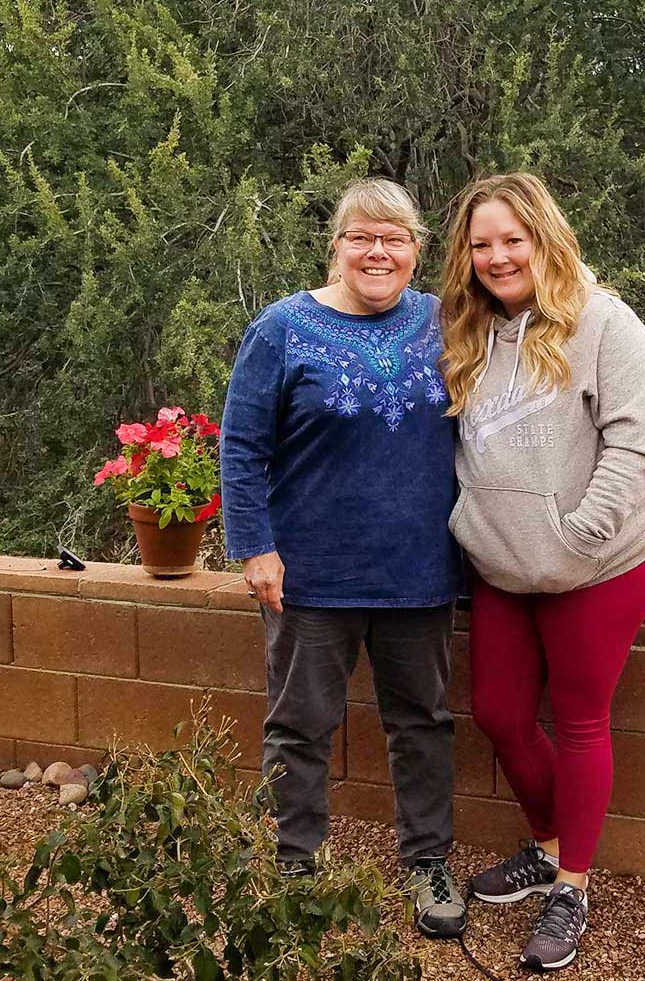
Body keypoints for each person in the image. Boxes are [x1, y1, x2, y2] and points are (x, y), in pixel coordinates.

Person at [220, 177, 467, 938]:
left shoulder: (445, 322)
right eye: (362, 236)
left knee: (422, 724)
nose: (377, 252)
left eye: (394, 239)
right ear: (336, 246)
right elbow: (241, 444)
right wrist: (254, 545)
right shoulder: (282, 329)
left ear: (417, 251)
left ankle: (427, 865)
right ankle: (296, 867)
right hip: (313, 577)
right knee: (301, 725)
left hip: (420, 572)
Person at [439, 172, 645, 971]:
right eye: (482, 244)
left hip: (598, 563)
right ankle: (546, 846)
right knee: (499, 713)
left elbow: (637, 446)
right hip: (503, 565)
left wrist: (577, 535)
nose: (499, 257)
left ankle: (571, 887)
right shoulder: (465, 334)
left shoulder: (606, 324)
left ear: (544, 238)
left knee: (578, 719)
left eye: (513, 239)